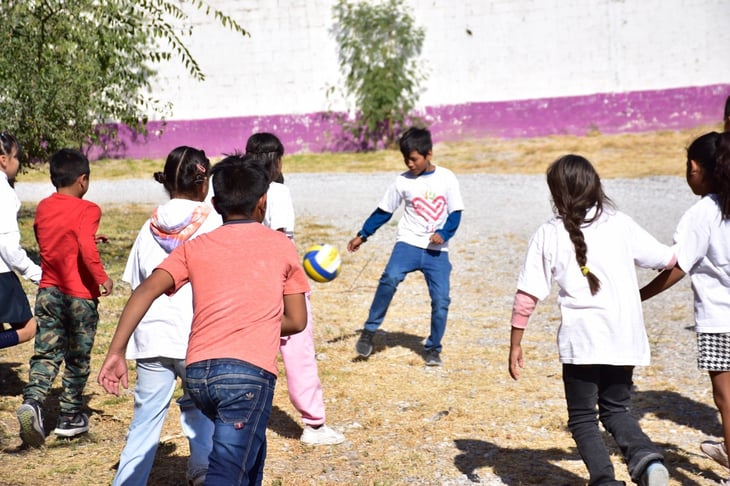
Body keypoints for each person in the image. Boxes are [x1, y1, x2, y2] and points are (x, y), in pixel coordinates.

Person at [97, 154, 309, 485]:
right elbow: (296, 320)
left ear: (216, 200)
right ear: (262, 201)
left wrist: (115, 351)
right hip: (246, 376)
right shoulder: (280, 244)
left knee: (251, 451)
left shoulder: (195, 247)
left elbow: (144, 291)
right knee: (227, 467)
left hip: (200, 376)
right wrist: (255, 321)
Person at [508, 154, 673, 486]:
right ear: (596, 187)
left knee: (583, 418)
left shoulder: (548, 233)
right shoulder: (621, 223)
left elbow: (528, 294)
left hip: (582, 342)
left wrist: (515, 344)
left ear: (556, 194)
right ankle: (647, 460)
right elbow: (671, 260)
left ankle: (604, 481)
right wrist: (640, 295)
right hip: (624, 339)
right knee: (617, 411)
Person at [112, 147, 219, 485]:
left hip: (152, 340)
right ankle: (203, 465)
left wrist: (118, 348)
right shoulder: (215, 221)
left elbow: (136, 286)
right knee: (204, 408)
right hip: (198, 339)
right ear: (204, 183)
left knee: (143, 427)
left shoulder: (149, 226)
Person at [640, 131, 730, 478]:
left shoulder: (702, 213)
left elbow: (678, 265)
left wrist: (638, 297)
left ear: (696, 167)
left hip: (719, 319)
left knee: (725, 399)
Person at [246, 132, 345, 446]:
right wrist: (296, 280)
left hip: (246, 278)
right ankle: (314, 425)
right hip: (279, 280)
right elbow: (281, 240)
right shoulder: (278, 192)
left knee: (250, 345)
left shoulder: (240, 188)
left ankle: (242, 411)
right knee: (298, 348)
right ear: (276, 160)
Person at [17, 148, 113, 448]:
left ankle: (33, 401)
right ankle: (70, 416)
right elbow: (85, 247)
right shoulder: (89, 209)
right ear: (83, 180)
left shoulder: (44, 207)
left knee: (46, 352)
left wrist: (80, 241)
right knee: (76, 357)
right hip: (79, 298)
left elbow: (51, 236)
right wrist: (102, 278)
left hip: (48, 292)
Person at [348, 127, 464, 366]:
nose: (410, 164)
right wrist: (363, 234)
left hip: (436, 251)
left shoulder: (447, 178)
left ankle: (433, 349)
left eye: (414, 159)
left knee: (441, 300)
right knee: (389, 278)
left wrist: (443, 233)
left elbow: (456, 213)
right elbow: (384, 211)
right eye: (406, 159)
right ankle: (369, 332)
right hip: (408, 244)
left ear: (429, 154)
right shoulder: (402, 181)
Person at [0, 132, 41, 350]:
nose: (18, 163)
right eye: (17, 157)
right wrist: (36, 274)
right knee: (28, 328)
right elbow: (7, 246)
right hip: (1, 274)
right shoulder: (4, 192)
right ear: (4, 159)